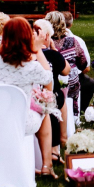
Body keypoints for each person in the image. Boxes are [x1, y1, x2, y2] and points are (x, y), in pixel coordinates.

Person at [0, 17, 57, 178]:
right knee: (44, 110)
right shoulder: (31, 66)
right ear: (27, 37)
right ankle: (47, 164)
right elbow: (48, 81)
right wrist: (37, 49)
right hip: (19, 122)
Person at [34, 18, 69, 159]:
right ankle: (61, 140)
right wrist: (55, 51)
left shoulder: (24, 55)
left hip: (32, 95)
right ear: (47, 36)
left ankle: (60, 141)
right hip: (47, 95)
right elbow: (66, 71)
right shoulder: (52, 54)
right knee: (58, 97)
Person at [47, 10, 88, 120]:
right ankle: (74, 118)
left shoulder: (44, 43)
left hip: (49, 86)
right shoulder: (72, 41)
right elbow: (83, 63)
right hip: (71, 84)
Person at [63, 11, 94, 114]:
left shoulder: (48, 39)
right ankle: (81, 109)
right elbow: (86, 68)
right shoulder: (77, 40)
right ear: (71, 24)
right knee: (90, 84)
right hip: (72, 79)